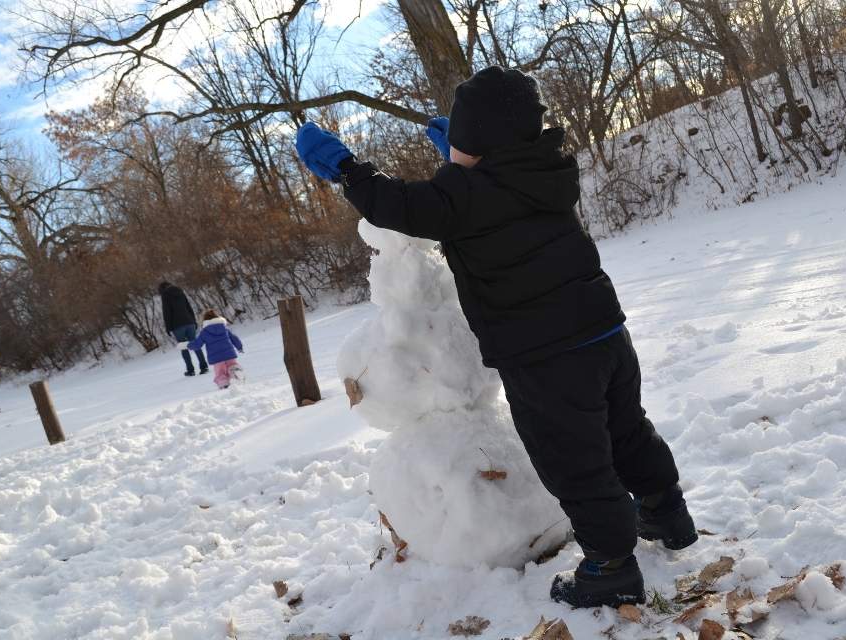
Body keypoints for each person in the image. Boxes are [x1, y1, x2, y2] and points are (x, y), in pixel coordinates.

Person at [294, 66, 698, 609]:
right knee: (625, 429)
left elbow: (400, 205)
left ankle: (610, 566)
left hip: (545, 357)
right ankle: (666, 509)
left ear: (478, 148)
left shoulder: (461, 194)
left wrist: (347, 169)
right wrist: (464, 162)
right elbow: (492, 190)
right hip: (605, 333)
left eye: (460, 142)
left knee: (573, 461)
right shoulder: (547, 171)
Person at [176, 309, 245, 389]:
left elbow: (197, 344)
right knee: (232, 364)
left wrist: (186, 345)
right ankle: (235, 370)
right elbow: (234, 338)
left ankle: (223, 383)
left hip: (216, 357)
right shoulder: (224, 327)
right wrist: (239, 347)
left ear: (205, 320)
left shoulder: (205, 332)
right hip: (229, 354)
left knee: (220, 372)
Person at [159, 282, 209, 377]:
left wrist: (168, 328)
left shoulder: (165, 295)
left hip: (178, 326)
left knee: (184, 347)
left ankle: (190, 370)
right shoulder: (180, 291)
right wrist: (193, 321)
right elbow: (189, 307)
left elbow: (167, 312)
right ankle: (204, 367)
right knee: (195, 345)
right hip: (189, 322)